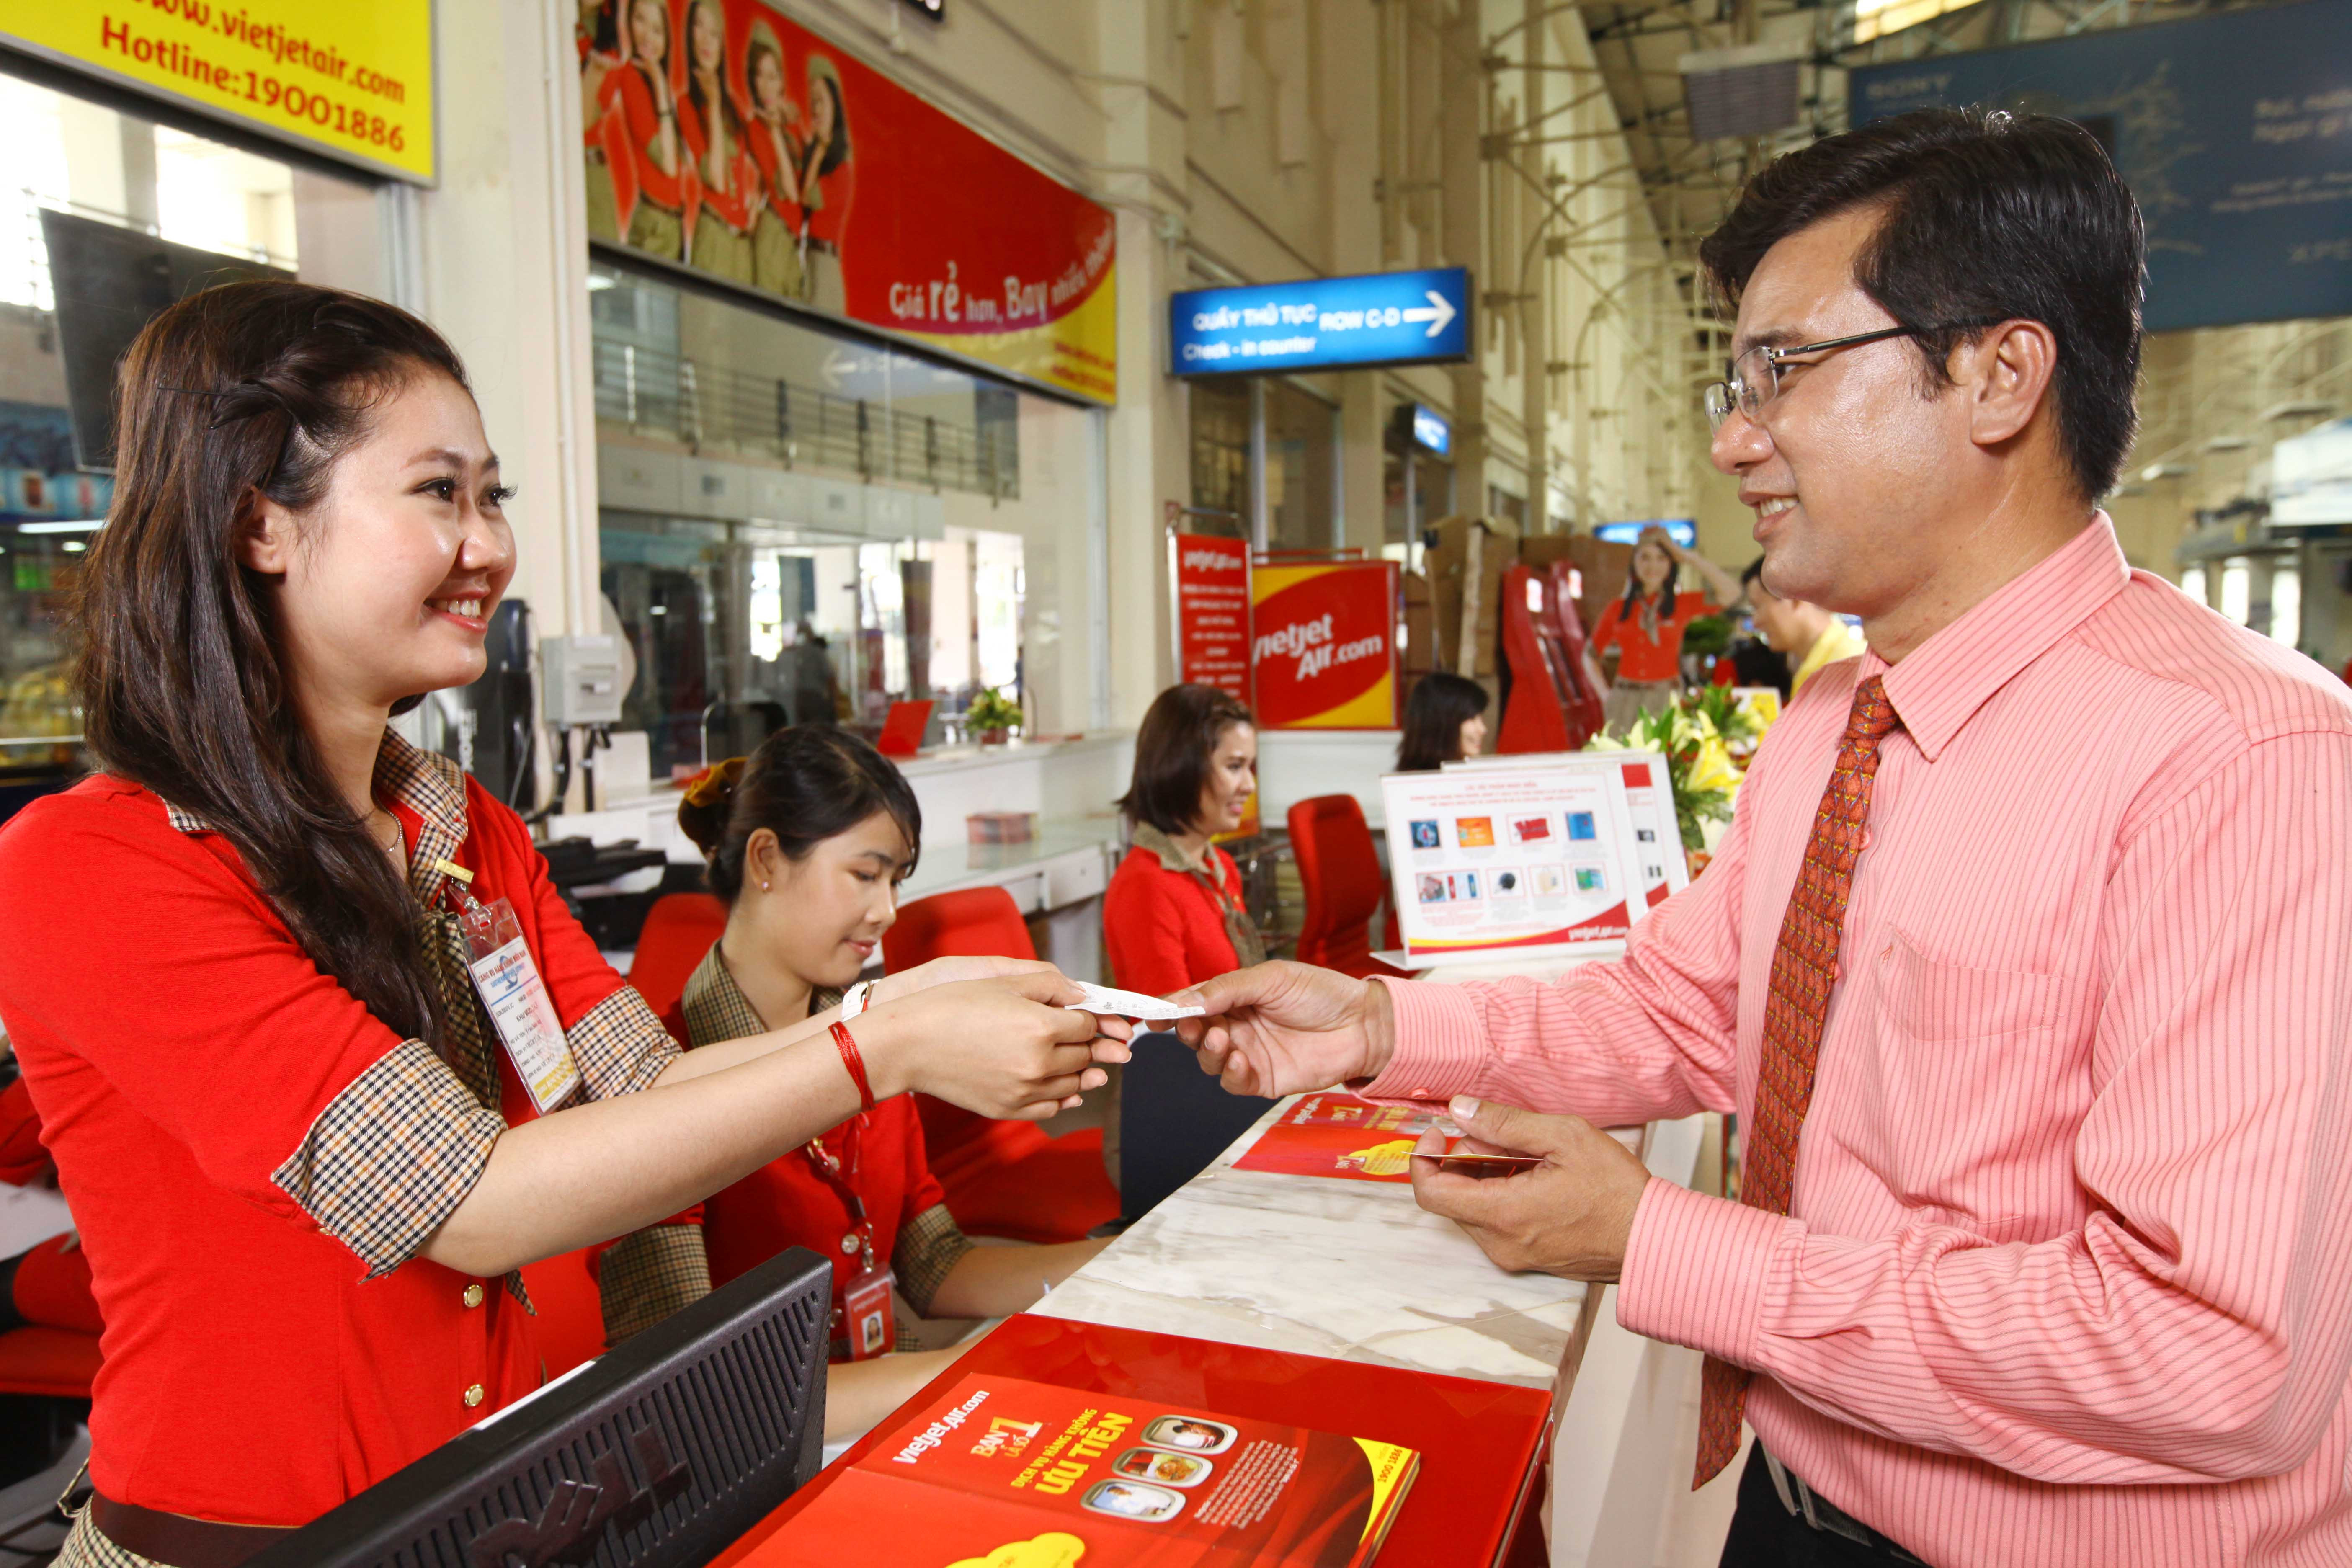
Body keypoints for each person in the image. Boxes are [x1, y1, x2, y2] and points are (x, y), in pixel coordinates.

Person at [1173, 108, 2352, 1568]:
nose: (1734, 441)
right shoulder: (1833, 724)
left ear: (1999, 374)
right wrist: (1372, 1026)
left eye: (1782, 373)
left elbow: (2208, 1359)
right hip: (1794, 1502)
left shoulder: (2241, 762)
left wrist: (1658, 1239)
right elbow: (1681, 1005)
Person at [0, 281, 1126, 1560]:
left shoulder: (464, 830)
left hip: (516, 1511)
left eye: (495, 499)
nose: (488, 546)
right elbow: (470, 1202)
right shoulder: (98, 865)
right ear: (260, 520)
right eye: (440, 493)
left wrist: (903, 1002)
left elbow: (644, 1084)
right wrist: (887, 1048)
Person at [606, 726, 1110, 1442]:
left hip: (875, 1405)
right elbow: (685, 1394)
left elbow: (934, 1263)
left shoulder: (877, 1042)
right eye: (866, 875)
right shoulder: (661, 1087)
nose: (888, 911)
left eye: (896, 880)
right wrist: (968, 1373)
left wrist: (1123, 1265)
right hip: (753, 1455)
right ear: (766, 860)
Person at [1104, 685, 1264, 1002]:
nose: (1249, 785)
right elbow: (1169, 1023)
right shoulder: (1145, 886)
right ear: (1182, 769)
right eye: (1235, 767)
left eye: (1250, 767)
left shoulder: (1220, 867)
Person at [1589, 526, 1740, 732]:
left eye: (1662, 558)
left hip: (1667, 696)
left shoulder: (1681, 604)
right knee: (1622, 749)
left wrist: (1688, 557)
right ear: (1634, 562)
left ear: (1671, 564)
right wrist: (1604, 694)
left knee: (1669, 750)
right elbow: (1590, 655)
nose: (1653, 565)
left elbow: (1732, 594)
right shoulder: (1618, 609)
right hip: (1624, 697)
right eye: (1645, 557)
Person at [593, 0, 690, 262]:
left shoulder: (657, 84)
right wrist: (658, 81)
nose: (648, 35)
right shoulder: (632, 77)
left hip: (672, 226)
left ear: (667, 39)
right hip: (653, 226)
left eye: (657, 30)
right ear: (628, 22)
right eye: (640, 20)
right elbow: (669, 165)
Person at [678, 0, 756, 286]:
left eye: (714, 33)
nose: (706, 40)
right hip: (713, 234)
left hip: (742, 244)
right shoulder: (687, 104)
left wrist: (755, 208)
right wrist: (712, 105)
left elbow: (759, 164)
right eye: (699, 26)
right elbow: (717, 179)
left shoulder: (734, 107)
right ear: (689, 34)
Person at [1739, 557, 1864, 698]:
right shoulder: (1815, 665)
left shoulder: (1847, 663)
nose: (1755, 622)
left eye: (1757, 607)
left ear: (1793, 596)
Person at [743, 24, 805, 300]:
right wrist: (775, 132)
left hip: (794, 238)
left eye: (773, 76)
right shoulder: (757, 128)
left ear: (782, 82)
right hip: (775, 230)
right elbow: (789, 191)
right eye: (760, 76)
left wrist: (783, 125)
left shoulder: (792, 126)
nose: (766, 85)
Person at [795, 57, 851, 310]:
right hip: (808, 258)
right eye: (813, 102)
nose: (816, 110)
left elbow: (809, 197)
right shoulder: (816, 158)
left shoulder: (842, 167)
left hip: (825, 264)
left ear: (835, 106)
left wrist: (818, 151)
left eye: (822, 101)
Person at [1395, 672, 1489, 771]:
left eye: (1481, 718)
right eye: (1472, 718)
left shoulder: (1465, 774)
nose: (1483, 730)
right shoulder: (1417, 780)